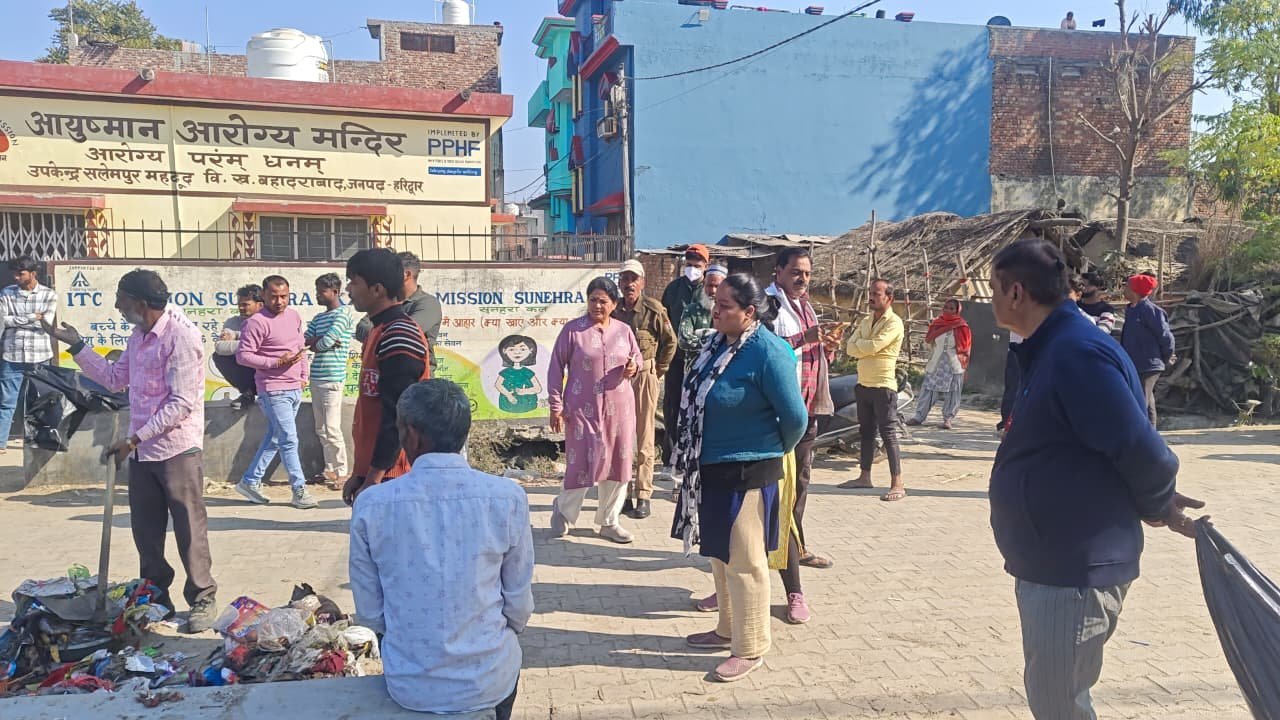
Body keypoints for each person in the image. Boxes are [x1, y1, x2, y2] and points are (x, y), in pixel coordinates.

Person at [987, 239, 1206, 720]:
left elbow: (1143, 449)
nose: (992, 300)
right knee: (1057, 701)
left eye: (994, 289)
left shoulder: (1075, 353)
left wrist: (1158, 503)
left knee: (1059, 707)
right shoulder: (1056, 346)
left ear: (1016, 293)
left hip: (1073, 569)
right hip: (1057, 562)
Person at [43, 270, 218, 633]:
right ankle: (156, 596)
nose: (117, 306)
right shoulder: (138, 335)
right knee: (145, 531)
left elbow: (181, 403)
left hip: (176, 449)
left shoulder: (181, 336)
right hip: (140, 450)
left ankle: (202, 596)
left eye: (121, 299)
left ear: (139, 302)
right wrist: (77, 346)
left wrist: (135, 439)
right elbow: (113, 378)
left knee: (189, 528)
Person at [349, 379, 533, 718]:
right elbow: (518, 603)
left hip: (410, 685)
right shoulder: (507, 497)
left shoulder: (372, 505)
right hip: (490, 680)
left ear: (412, 436)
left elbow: (371, 613)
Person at [676, 274, 808, 683]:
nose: (715, 311)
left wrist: (767, 450)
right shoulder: (717, 344)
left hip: (750, 470)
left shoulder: (768, 352)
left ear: (749, 312)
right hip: (710, 467)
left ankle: (750, 647)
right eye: (715, 303)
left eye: (725, 306)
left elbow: (796, 419)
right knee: (720, 555)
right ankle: (727, 629)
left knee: (746, 562)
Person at [547, 277, 643, 544]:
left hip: (620, 411)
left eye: (603, 301)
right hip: (581, 409)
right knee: (581, 463)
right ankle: (564, 511)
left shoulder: (624, 331)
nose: (597, 305)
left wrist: (634, 366)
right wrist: (556, 406)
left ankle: (609, 521)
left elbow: (638, 358)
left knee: (618, 464)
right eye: (592, 300)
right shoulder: (573, 331)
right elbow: (556, 368)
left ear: (614, 304)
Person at [764, 247, 838, 577]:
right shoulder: (768, 305)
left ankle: (796, 547)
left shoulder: (806, 307)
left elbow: (812, 353)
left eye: (807, 273)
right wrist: (802, 338)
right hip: (780, 410)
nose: (802, 279)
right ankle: (769, 548)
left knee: (800, 481)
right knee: (775, 481)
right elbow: (764, 348)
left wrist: (827, 348)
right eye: (796, 272)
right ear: (778, 271)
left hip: (807, 408)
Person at [342, 249, 432, 506]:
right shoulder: (379, 330)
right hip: (379, 470)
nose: (348, 289)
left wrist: (374, 478)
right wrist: (360, 472)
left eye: (354, 282)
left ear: (377, 289)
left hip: (396, 472)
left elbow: (397, 414)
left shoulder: (399, 335)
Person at [233, 276, 315, 510]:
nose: (279, 301)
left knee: (277, 437)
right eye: (274, 296)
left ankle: (250, 481)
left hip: (294, 387)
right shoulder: (255, 322)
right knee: (289, 439)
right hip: (273, 389)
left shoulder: (294, 316)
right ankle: (299, 489)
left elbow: (299, 347)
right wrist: (275, 363)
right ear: (263, 295)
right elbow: (243, 356)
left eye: (284, 296)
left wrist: (303, 375)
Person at [613, 259, 676, 520]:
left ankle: (643, 494)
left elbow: (670, 342)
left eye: (634, 279)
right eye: (625, 279)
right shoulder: (613, 310)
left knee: (644, 437)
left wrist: (656, 371)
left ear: (642, 283)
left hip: (644, 377)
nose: (629, 284)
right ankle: (624, 494)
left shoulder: (653, 309)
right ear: (619, 283)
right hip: (617, 379)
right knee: (620, 438)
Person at [838, 279, 906, 501]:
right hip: (864, 384)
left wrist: (862, 347)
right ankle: (864, 476)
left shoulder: (894, 323)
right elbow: (850, 347)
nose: (871, 297)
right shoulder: (867, 320)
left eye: (876, 294)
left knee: (888, 435)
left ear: (889, 298)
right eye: (870, 293)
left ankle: (897, 484)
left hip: (883, 386)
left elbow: (874, 345)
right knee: (866, 433)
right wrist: (863, 348)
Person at [659, 244, 711, 477]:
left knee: (699, 408)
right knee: (672, 407)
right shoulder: (673, 289)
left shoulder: (711, 290)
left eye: (697, 265)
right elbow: (663, 322)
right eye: (689, 264)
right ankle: (669, 458)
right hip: (676, 359)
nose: (692, 269)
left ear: (706, 266)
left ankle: (696, 458)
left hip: (703, 361)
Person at [0, 256, 56, 452]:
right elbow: (3, 321)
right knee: (6, 402)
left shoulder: (49, 295)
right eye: (14, 273)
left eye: (20, 274)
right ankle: (1, 443)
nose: (16, 277)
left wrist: (15, 320)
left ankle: (36, 442)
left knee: (40, 401)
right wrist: (33, 317)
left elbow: (45, 323)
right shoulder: (6, 293)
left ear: (33, 274)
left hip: (40, 355)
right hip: (12, 355)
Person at [305, 273, 355, 488]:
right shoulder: (319, 318)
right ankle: (330, 470)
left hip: (333, 378)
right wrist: (320, 341)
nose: (317, 295)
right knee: (321, 429)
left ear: (335, 292)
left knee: (332, 428)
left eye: (321, 291)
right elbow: (306, 340)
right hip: (316, 377)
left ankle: (342, 472)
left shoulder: (344, 314)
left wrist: (319, 343)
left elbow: (326, 342)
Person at [355, 251, 442, 371]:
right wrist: (381, 335)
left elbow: (402, 334)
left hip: (415, 376)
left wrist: (376, 335)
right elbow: (361, 328)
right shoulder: (387, 300)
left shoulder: (427, 303)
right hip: (382, 372)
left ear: (406, 275)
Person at [1120, 273, 1175, 427]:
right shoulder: (1131, 309)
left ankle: (1142, 435)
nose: (1124, 289)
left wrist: (1167, 356)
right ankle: (1151, 431)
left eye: (1127, 286)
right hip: (1135, 363)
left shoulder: (1150, 311)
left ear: (1135, 290)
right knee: (1147, 398)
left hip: (1148, 364)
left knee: (1140, 401)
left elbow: (1166, 337)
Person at [908, 299, 971, 429]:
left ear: (957, 310)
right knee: (929, 390)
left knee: (953, 392)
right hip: (936, 363)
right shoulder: (937, 324)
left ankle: (948, 419)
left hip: (954, 364)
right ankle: (919, 417)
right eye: (946, 307)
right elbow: (930, 341)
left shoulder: (962, 327)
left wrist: (964, 364)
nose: (948, 310)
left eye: (951, 308)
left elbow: (966, 348)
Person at [212, 284, 262, 411]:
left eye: (246, 304)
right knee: (219, 357)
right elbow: (220, 348)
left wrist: (238, 339)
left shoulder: (269, 322)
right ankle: (248, 393)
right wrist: (252, 344)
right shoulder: (233, 322)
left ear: (260, 305)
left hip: (270, 372)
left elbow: (267, 346)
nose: (241, 308)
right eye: (239, 304)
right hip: (249, 370)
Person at [677, 264, 728, 371]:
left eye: (717, 286)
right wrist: (716, 339)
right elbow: (684, 340)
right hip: (693, 370)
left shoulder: (730, 312)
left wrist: (700, 333)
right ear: (704, 285)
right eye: (709, 285)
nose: (713, 291)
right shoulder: (691, 310)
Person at [495, 335, 542, 414]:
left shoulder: (528, 372)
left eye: (522, 349)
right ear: (504, 351)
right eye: (511, 349)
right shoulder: (505, 372)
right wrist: (508, 395)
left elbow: (538, 388)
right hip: (508, 404)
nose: (517, 352)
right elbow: (498, 385)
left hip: (527, 404)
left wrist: (525, 391)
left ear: (530, 350)